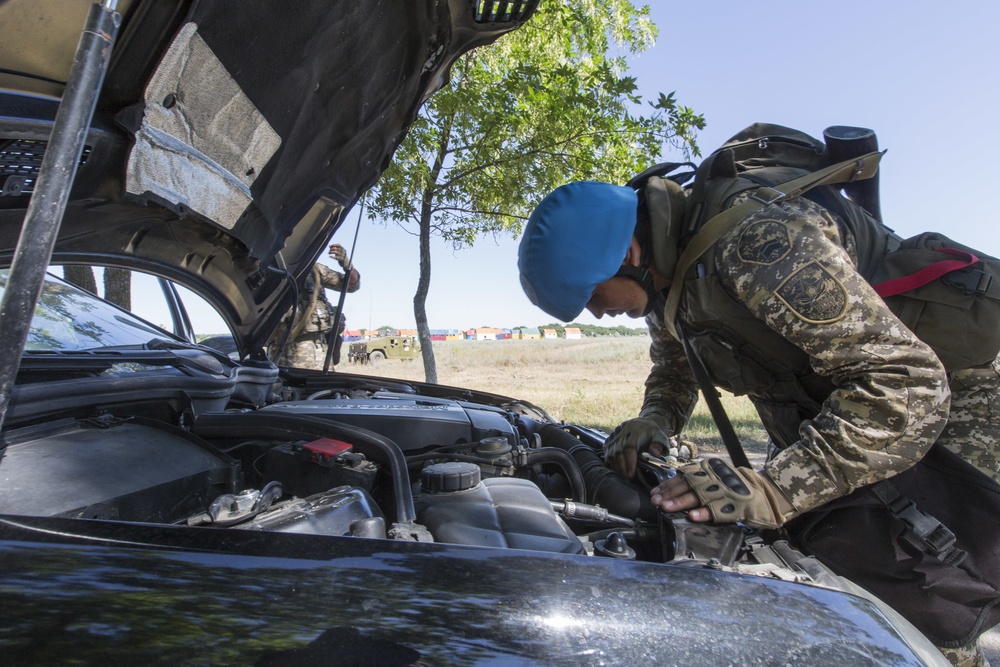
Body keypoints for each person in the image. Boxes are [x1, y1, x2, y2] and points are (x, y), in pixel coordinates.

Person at [516, 131, 1000, 666]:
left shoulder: (758, 243)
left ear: (627, 253)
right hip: (849, 416)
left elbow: (905, 381)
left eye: (591, 296)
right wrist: (655, 420)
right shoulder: (664, 281)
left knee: (931, 592)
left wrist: (777, 489)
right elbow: (676, 368)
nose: (597, 315)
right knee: (846, 575)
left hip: (959, 404)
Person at [270, 243, 360, 369]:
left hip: (319, 354)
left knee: (325, 388)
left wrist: (346, 263)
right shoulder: (267, 270)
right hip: (283, 354)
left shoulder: (315, 269)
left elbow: (352, 285)